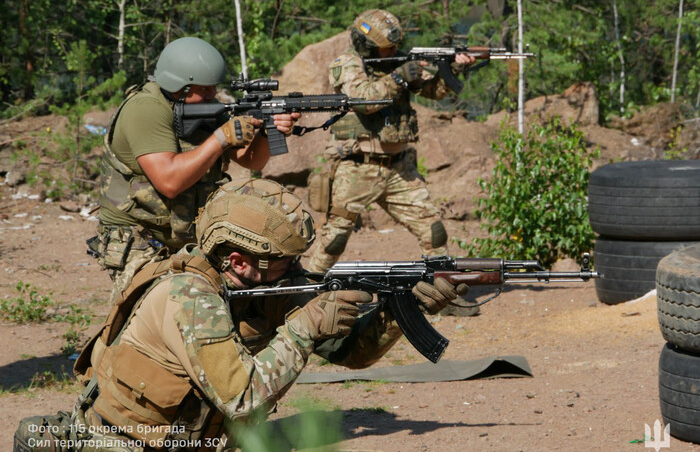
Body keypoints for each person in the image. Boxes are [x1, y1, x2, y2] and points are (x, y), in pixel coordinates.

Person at [14, 178, 467, 451]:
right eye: (283, 261)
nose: (296, 270)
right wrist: (307, 325)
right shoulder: (188, 296)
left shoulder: (262, 285)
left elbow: (351, 354)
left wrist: (412, 304)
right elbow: (243, 396)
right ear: (236, 260)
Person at [94, 36, 300, 303]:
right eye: (205, 90)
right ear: (181, 87)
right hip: (141, 240)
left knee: (256, 279)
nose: (213, 96)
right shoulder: (145, 110)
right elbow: (170, 181)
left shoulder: (203, 106)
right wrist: (220, 139)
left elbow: (251, 161)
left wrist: (270, 129)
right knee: (162, 311)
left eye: (214, 88)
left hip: (189, 234)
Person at [307, 9, 476, 273]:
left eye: (395, 46)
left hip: (399, 169)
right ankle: (306, 288)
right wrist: (400, 76)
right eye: (387, 48)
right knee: (334, 239)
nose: (394, 50)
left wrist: (454, 66)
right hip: (358, 168)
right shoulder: (348, 64)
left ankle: (442, 290)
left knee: (433, 230)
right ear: (366, 45)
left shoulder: (397, 64)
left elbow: (434, 91)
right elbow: (364, 100)